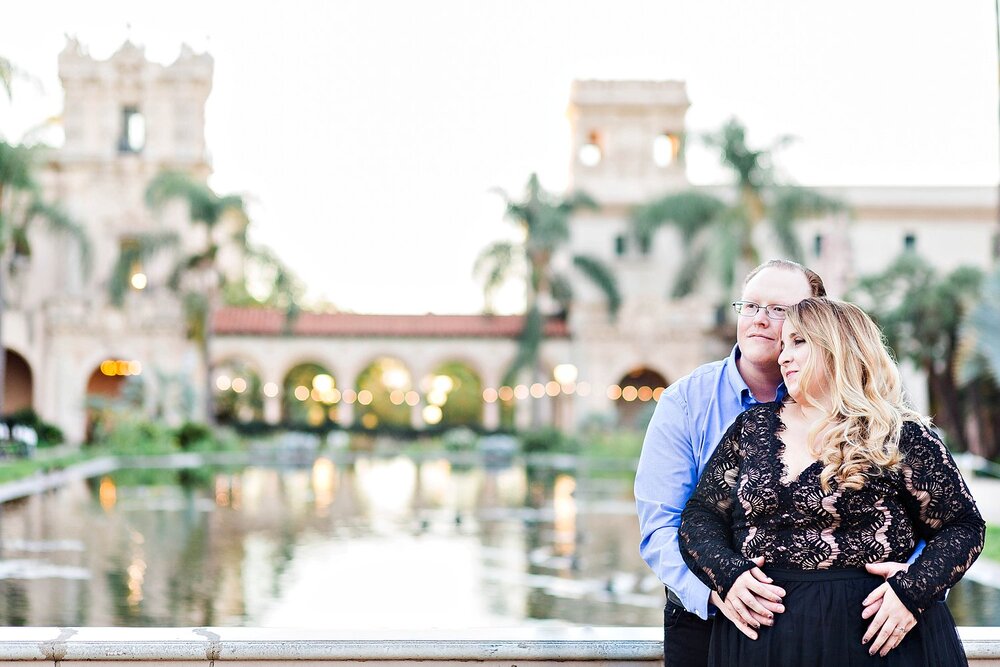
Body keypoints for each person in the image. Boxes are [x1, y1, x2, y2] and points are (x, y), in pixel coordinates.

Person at [679, 297, 985, 666]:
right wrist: (728, 573)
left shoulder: (898, 434)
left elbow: (963, 526)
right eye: (783, 345)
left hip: (876, 642)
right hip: (762, 643)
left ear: (839, 348)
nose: (783, 357)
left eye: (799, 342)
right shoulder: (752, 428)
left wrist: (914, 589)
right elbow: (701, 514)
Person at [635, 259, 830, 666]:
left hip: (830, 622)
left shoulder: (853, 405)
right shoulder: (685, 403)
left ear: (817, 322)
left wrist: (910, 586)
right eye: (750, 306)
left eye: (779, 310)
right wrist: (715, 591)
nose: (760, 319)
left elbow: (924, 511)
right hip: (708, 620)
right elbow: (661, 523)